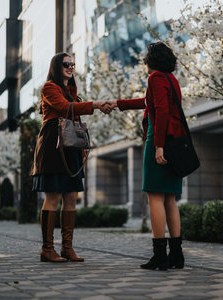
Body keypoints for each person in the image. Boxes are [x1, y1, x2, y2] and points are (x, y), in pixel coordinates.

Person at [106, 42, 185, 270]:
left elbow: (159, 110)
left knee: (155, 198)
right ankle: (176, 255)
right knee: (170, 198)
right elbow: (148, 103)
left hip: (158, 140)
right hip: (174, 141)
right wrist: (118, 103)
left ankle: (160, 256)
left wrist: (158, 146)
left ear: (151, 60)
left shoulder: (155, 78)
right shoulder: (171, 79)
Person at [31, 53, 110, 263]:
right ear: (57, 66)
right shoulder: (49, 87)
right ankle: (47, 249)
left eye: (72, 64)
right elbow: (65, 108)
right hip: (53, 146)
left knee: (72, 197)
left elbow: (73, 110)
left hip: (71, 147)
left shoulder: (72, 91)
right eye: (66, 64)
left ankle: (67, 248)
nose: (70, 67)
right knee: (53, 197)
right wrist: (95, 104)